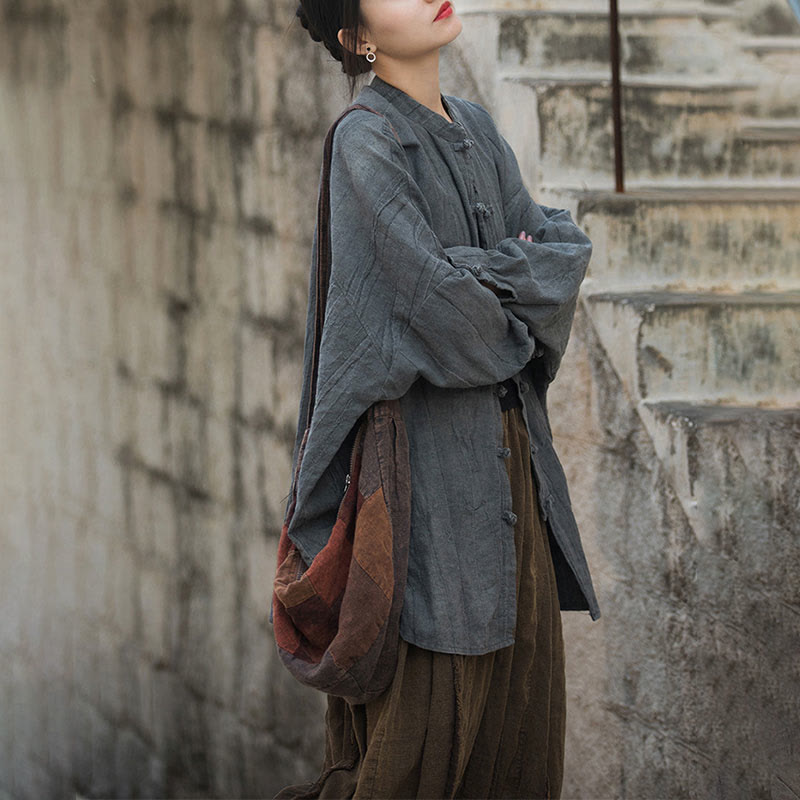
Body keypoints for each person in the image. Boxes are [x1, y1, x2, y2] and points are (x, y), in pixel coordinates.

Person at [273, 0, 602, 797]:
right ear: (357, 36)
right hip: (427, 517)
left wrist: (470, 276)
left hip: (517, 491)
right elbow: (452, 323)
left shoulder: (479, 129)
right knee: (414, 764)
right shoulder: (367, 141)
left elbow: (566, 256)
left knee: (519, 760)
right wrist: (495, 289)